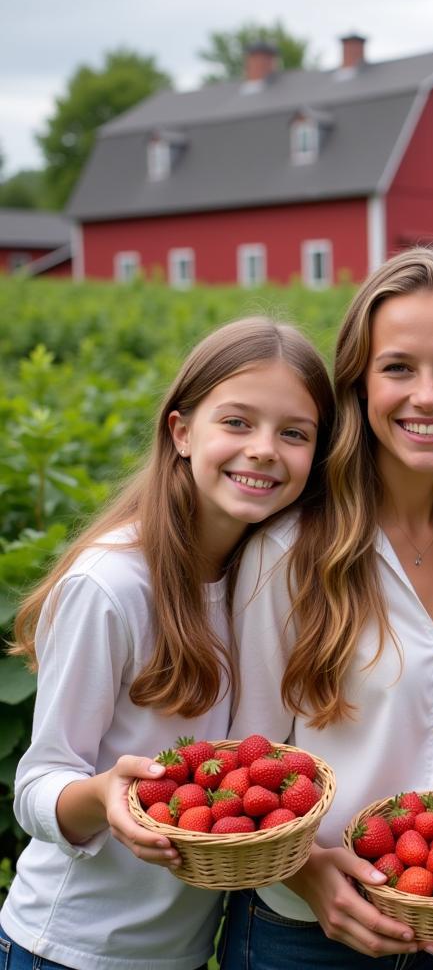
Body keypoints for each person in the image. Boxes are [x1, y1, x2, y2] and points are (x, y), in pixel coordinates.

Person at [218, 248, 433, 969]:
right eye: (398, 368)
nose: (428, 395)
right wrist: (306, 874)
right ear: (358, 385)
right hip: (302, 933)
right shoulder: (289, 551)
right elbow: (249, 757)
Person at [0, 317, 335, 970]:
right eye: (237, 423)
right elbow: (37, 784)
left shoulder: (265, 579)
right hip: (70, 949)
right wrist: (101, 798)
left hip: (180, 951)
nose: (264, 449)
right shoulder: (113, 585)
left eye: (294, 433)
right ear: (182, 432)